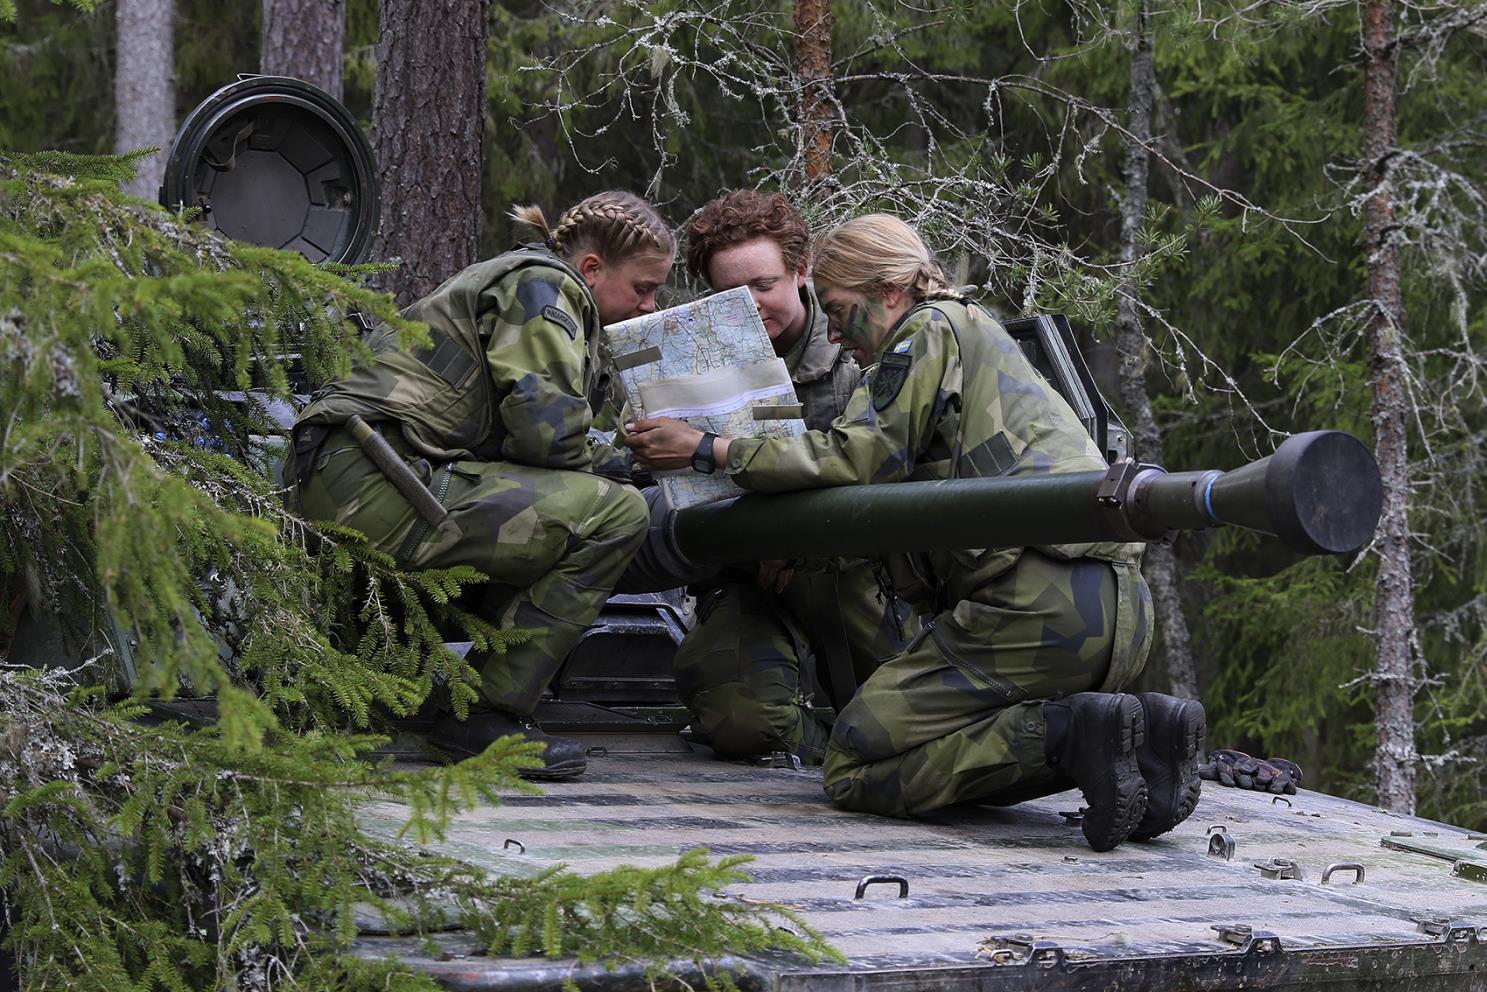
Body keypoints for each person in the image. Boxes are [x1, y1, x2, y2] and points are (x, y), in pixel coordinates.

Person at [627, 213, 1204, 850]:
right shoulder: (971, 330)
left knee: (852, 764)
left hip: (1034, 606)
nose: (839, 333)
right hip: (1115, 609)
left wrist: (709, 448)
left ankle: (1064, 734)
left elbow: (860, 458)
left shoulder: (926, 330)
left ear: (891, 291)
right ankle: (1145, 746)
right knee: (937, 730)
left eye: (842, 310)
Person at [287, 191, 676, 780]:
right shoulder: (547, 286)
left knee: (571, 507)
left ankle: (446, 679)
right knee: (616, 514)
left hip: (363, 474)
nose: (650, 305)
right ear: (592, 268)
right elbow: (548, 439)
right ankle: (485, 712)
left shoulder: (525, 283)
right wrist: (630, 466)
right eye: (643, 288)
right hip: (375, 482)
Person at [670, 190, 906, 764]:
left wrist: (794, 535)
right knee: (740, 723)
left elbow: (883, 475)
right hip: (746, 576)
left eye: (762, 285)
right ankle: (828, 744)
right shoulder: (690, 361)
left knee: (906, 713)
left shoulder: (860, 349)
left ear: (800, 272)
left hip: (855, 574)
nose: (748, 306)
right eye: (727, 293)